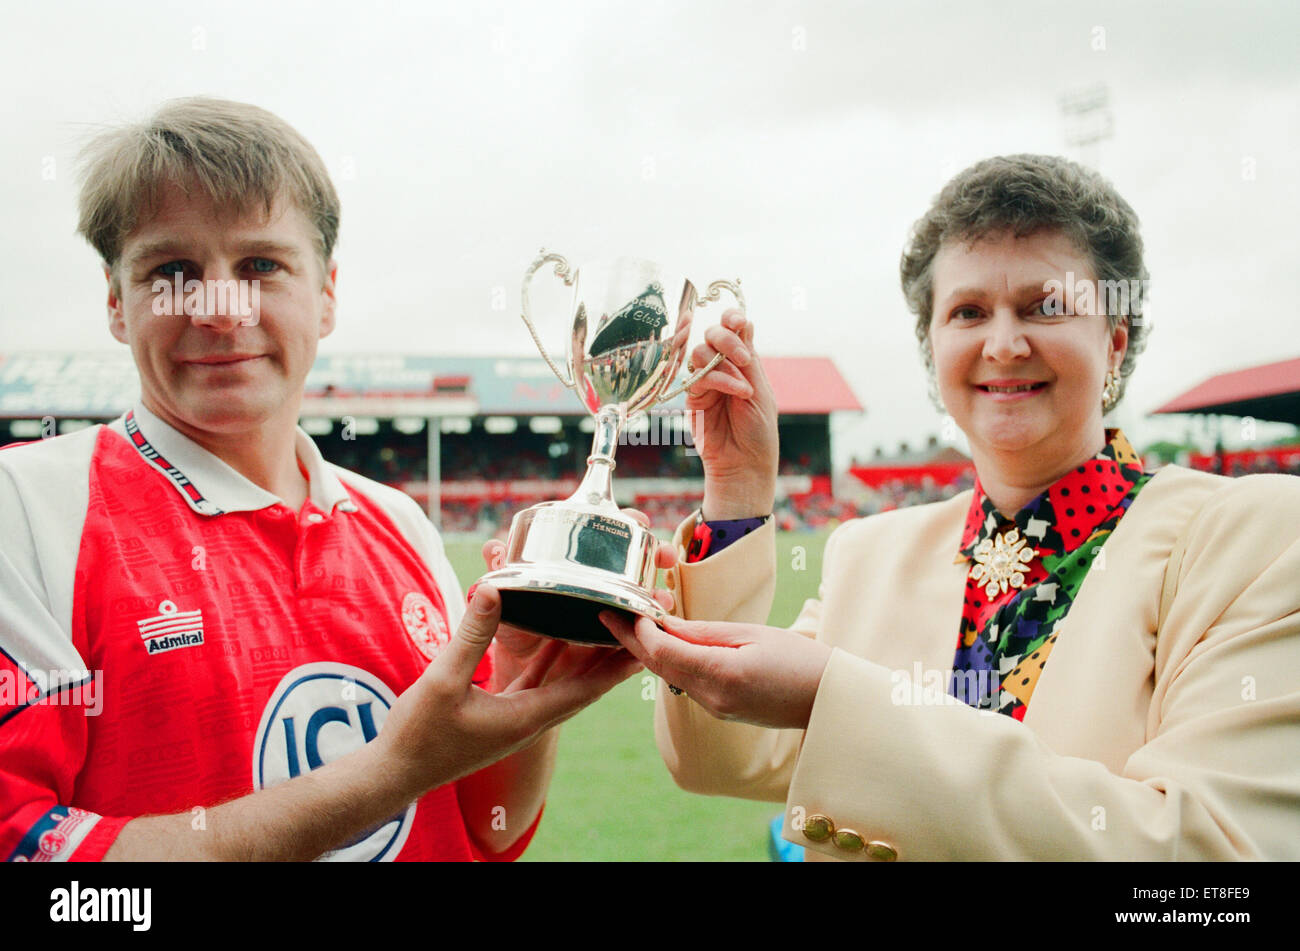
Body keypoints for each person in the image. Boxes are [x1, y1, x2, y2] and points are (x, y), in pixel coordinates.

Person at [0, 97, 665, 862]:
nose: (220, 311)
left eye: (260, 265)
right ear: (117, 302)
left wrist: (522, 686)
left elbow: (488, 830)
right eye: (172, 270)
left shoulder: (401, 523)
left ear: (327, 296)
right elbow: (29, 849)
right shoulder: (29, 509)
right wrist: (387, 775)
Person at [599, 155, 1300, 861]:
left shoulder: (1250, 539)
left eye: (1044, 306)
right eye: (968, 312)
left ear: (1114, 340)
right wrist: (739, 491)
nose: (1003, 343)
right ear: (932, 348)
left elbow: (1214, 867)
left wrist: (839, 701)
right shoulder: (869, 553)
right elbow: (724, 760)